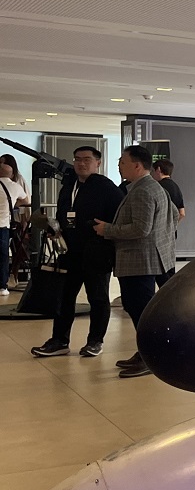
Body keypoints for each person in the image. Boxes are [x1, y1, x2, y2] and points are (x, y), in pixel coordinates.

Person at [93, 145, 177, 378]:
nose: (119, 166)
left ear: (137, 166)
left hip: (139, 261)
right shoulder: (152, 187)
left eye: (123, 162)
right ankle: (146, 353)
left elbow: (141, 228)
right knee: (137, 308)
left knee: (141, 310)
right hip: (146, 259)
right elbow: (172, 217)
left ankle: (151, 357)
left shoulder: (143, 191)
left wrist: (107, 230)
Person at [31, 146, 123, 358]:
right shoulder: (69, 185)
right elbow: (64, 214)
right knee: (64, 297)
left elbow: (118, 217)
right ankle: (59, 340)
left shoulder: (106, 188)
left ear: (98, 163)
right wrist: (56, 229)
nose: (81, 163)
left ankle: (95, 341)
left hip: (97, 251)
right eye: (77, 159)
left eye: (87, 159)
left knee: (97, 298)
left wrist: (107, 232)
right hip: (70, 251)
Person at [0, 154, 31, 297]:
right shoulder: (15, 185)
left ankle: (9, 280)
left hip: (11, 223)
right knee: (4, 255)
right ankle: (3, 285)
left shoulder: (17, 181)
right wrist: (12, 204)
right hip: (5, 224)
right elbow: (26, 201)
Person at [151, 158, 185, 286]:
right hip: (171, 234)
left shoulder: (158, 188)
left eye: (152, 171)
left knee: (160, 269)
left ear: (158, 170)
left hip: (158, 236)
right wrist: (172, 226)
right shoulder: (176, 187)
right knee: (170, 266)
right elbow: (182, 213)